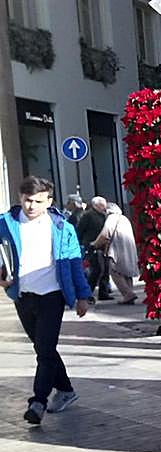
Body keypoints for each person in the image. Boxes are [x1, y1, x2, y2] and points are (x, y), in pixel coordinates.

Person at [0, 176, 92, 425]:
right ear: (20, 198)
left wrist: (83, 296)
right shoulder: (5, 224)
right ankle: (66, 390)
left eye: (38, 201)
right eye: (27, 200)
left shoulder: (62, 227)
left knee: (45, 349)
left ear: (49, 201)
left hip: (52, 296)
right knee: (44, 348)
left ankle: (38, 401)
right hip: (22, 296)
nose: (31, 206)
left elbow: (74, 263)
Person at [95, 204, 139, 305]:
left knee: (115, 271)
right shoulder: (124, 218)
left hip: (117, 250)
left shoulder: (111, 218)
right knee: (127, 273)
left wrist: (95, 244)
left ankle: (128, 294)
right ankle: (129, 294)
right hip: (129, 249)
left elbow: (105, 234)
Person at [76, 196, 113, 300]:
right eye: (102, 205)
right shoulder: (88, 215)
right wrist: (84, 244)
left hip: (104, 246)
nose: (104, 207)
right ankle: (87, 293)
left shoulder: (104, 215)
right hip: (92, 245)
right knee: (97, 269)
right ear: (96, 205)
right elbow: (80, 230)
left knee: (105, 269)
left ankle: (103, 292)